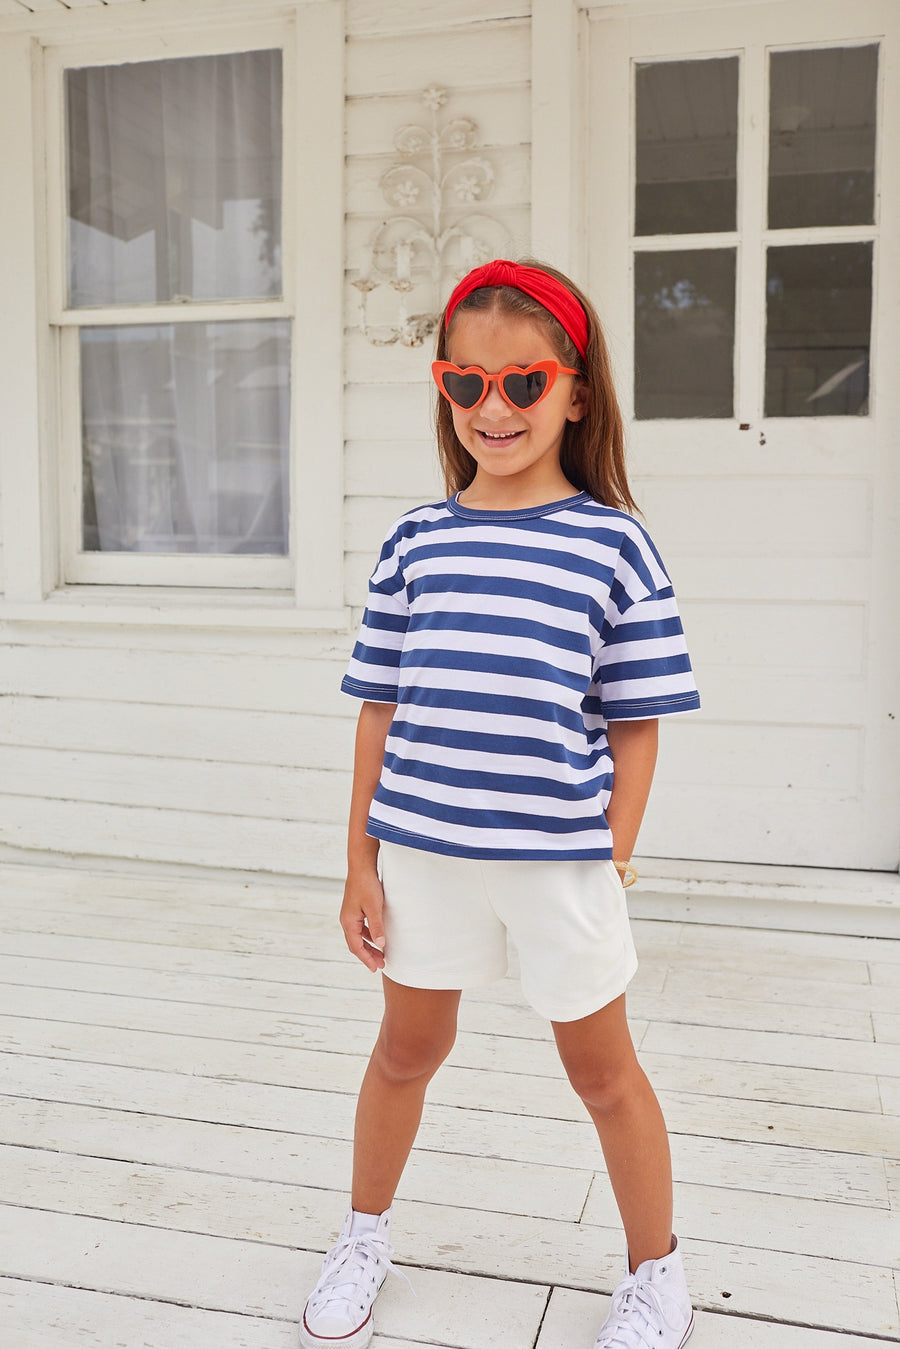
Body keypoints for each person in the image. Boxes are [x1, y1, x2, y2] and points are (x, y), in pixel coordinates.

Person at [299, 258, 700, 1349]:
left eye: (523, 383)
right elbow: (377, 712)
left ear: (575, 390)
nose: (493, 408)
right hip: (427, 858)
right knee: (404, 1050)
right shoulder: (415, 541)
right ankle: (364, 1231)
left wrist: (610, 859)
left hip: (559, 859)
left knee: (602, 1069)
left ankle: (657, 1269)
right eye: (465, 383)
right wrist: (360, 864)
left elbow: (637, 721)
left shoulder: (614, 544)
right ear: (444, 391)